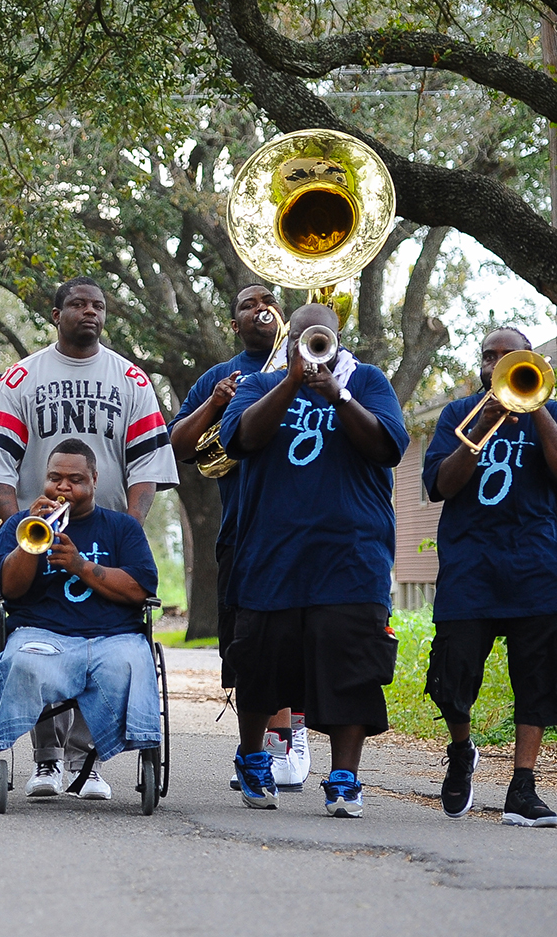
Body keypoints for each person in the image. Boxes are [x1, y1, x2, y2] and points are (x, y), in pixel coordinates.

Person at [0, 276, 178, 799]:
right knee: (40, 633)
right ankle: (46, 760)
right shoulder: (21, 378)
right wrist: (25, 529)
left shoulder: (130, 379)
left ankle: (87, 762)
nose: (91, 312)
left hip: (105, 531)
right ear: (56, 314)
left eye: (98, 305)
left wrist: (125, 528)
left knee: (108, 638)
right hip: (39, 527)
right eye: (79, 304)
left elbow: (148, 466)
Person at [217, 302, 408, 818]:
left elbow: (389, 447)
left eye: (322, 338)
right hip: (271, 557)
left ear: (338, 340)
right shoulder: (259, 384)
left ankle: (344, 777)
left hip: (351, 557)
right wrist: (290, 383)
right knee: (260, 664)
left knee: (352, 667)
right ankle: (253, 757)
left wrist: (338, 396)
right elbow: (240, 438)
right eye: (302, 338)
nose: (312, 348)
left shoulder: (366, 381)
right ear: (287, 343)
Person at [421, 326, 557, 827]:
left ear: (529, 361)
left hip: (539, 568)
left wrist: (536, 407)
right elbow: (440, 485)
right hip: (471, 567)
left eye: (507, 356)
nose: (495, 364)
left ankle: (523, 786)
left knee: (539, 680)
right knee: (453, 674)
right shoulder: (458, 414)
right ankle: (461, 751)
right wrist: (480, 429)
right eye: (488, 356)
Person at [169, 285, 310, 792]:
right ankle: (262, 746)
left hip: (307, 530)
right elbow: (179, 446)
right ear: (234, 324)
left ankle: (291, 735)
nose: (259, 308)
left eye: (267, 300)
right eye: (247, 304)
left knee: (303, 640)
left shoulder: (320, 366)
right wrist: (214, 404)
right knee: (249, 648)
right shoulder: (219, 376)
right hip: (245, 530)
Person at [0, 440, 161, 776]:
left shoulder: (123, 527)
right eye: (55, 478)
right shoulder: (20, 525)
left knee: (128, 662)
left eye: (75, 480)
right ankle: (47, 760)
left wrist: (80, 566)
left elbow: (140, 589)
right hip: (40, 633)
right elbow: (9, 588)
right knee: (25, 661)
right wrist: (30, 542)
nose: (63, 487)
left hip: (112, 636)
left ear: (94, 480)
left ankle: (85, 763)